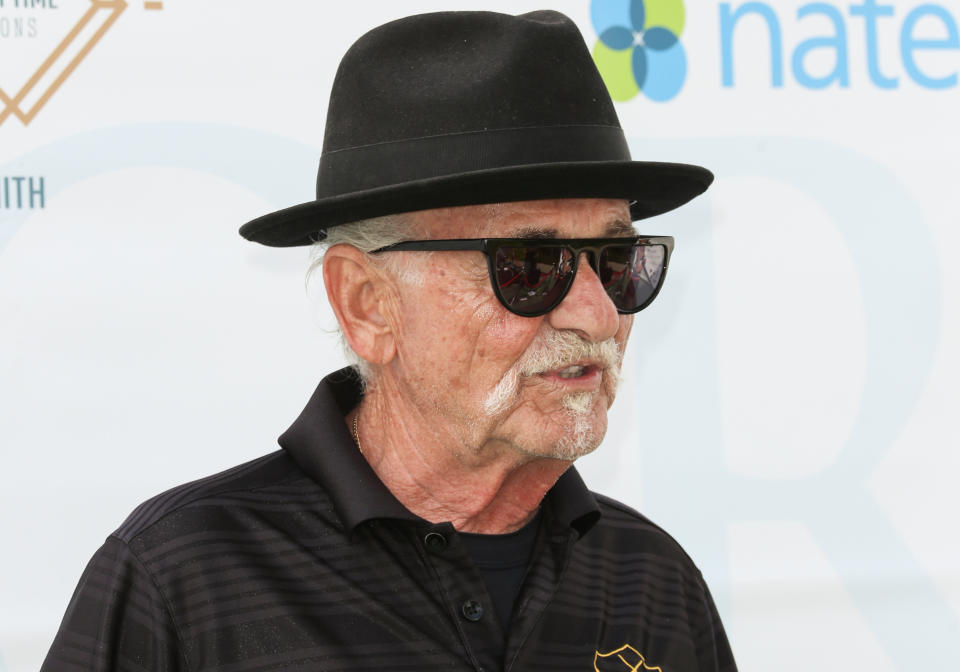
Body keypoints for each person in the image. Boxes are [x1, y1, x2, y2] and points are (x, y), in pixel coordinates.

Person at [42, 10, 736, 672]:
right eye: (528, 266)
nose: (595, 313)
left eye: (617, 261)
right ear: (367, 305)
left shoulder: (654, 582)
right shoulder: (182, 582)